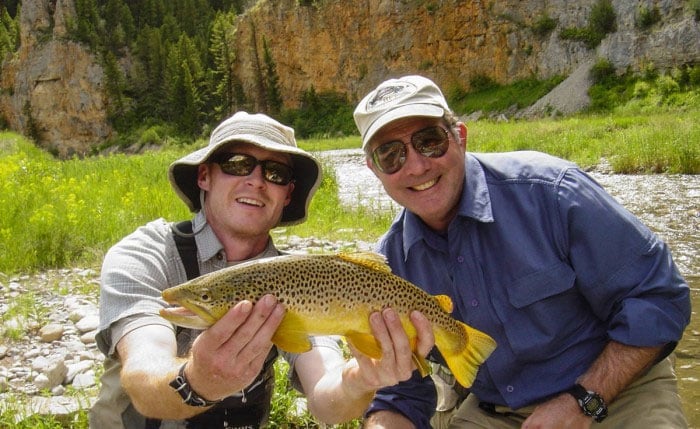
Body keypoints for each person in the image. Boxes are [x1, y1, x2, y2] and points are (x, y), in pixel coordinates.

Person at [352, 75, 691, 429]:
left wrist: (584, 401)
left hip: (615, 392)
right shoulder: (390, 264)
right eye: (391, 155)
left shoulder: (553, 193)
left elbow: (659, 296)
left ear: (460, 138)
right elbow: (400, 394)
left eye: (430, 142)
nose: (417, 166)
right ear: (374, 170)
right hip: (494, 413)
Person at [89, 111, 435, 429]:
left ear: (287, 195)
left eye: (275, 173)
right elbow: (142, 377)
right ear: (204, 176)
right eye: (238, 164)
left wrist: (359, 380)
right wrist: (198, 380)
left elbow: (327, 402)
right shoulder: (146, 253)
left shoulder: (302, 280)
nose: (256, 180)